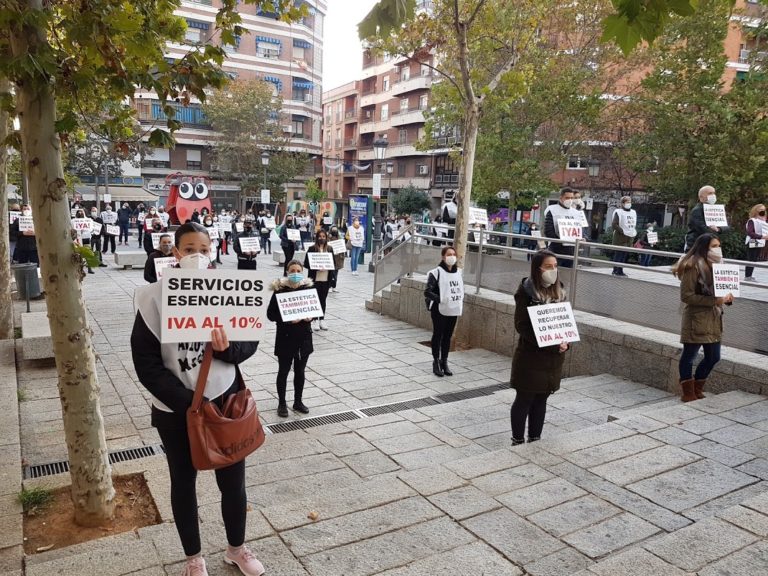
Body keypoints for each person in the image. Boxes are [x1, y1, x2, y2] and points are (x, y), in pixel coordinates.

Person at [131, 222, 264, 576]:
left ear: (213, 250)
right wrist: (189, 401)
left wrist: (228, 348)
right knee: (183, 481)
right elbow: (146, 364)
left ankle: (236, 548)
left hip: (225, 402)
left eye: (203, 249)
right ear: (175, 254)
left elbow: (249, 343)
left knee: (233, 482)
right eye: (189, 250)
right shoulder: (151, 297)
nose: (197, 256)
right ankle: (194, 557)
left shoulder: (231, 290)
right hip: (176, 411)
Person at [510, 250, 570, 445]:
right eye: (548, 266)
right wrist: (551, 345)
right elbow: (522, 326)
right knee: (525, 398)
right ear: (538, 269)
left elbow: (565, 322)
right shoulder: (526, 292)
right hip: (531, 357)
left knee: (542, 399)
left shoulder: (559, 291)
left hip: (552, 360)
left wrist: (566, 342)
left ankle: (535, 438)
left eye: (555, 266)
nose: (553, 270)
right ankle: (517, 439)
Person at [672, 233, 734, 402]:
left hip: (714, 318)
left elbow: (721, 293)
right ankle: (688, 392)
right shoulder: (692, 266)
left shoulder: (719, 266)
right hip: (696, 319)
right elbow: (686, 296)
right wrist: (715, 300)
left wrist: (727, 298)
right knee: (689, 356)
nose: (718, 250)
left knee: (714, 357)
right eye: (714, 246)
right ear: (704, 247)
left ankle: (698, 387)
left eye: (719, 245)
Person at [266, 259, 313, 417]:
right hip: (286, 337)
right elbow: (270, 315)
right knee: (283, 371)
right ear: (287, 272)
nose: (295, 274)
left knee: (300, 371)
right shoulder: (279, 290)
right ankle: (282, 403)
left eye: (298, 271)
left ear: (302, 272)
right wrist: (286, 318)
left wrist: (310, 318)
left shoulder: (307, 288)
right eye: (292, 271)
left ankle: (298, 401)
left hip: (304, 338)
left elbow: (315, 308)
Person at [424, 246, 464, 377]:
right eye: (448, 254)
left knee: (448, 336)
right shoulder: (436, 272)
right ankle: (436, 361)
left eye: (453, 254)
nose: (452, 257)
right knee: (438, 335)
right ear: (443, 257)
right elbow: (427, 291)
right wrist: (440, 299)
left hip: (453, 309)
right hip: (439, 309)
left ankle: (444, 361)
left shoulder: (459, 272)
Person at [303, 229, 331, 331]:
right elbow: (306, 263)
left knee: (323, 299)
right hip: (315, 278)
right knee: (315, 299)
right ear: (317, 237)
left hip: (325, 278)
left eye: (324, 237)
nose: (322, 238)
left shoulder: (330, 249)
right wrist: (316, 266)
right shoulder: (312, 249)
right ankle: (314, 320)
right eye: (320, 236)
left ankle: (322, 319)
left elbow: (333, 264)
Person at [543, 187, 577, 268]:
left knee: (568, 275)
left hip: (571, 250)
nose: (570, 200)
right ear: (561, 198)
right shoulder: (552, 210)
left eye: (572, 198)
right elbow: (548, 231)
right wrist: (560, 241)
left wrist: (583, 238)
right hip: (556, 249)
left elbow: (581, 229)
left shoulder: (576, 212)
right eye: (567, 198)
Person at [686, 185, 726, 250]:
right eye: (710, 193)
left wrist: (718, 229)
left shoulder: (717, 209)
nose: (713, 195)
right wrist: (715, 231)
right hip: (698, 247)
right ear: (701, 197)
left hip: (712, 246)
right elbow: (702, 229)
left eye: (714, 193)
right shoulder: (697, 210)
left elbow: (727, 227)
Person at [611, 195, 637, 277]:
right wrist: (622, 231)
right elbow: (614, 224)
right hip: (620, 237)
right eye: (627, 202)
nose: (629, 203)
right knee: (619, 254)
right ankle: (616, 270)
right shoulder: (619, 212)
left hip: (629, 237)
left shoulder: (633, 212)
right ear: (622, 203)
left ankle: (619, 270)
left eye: (630, 202)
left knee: (624, 255)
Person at [745, 204, 768, 281]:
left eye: (764, 209)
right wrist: (761, 236)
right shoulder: (752, 220)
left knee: (754, 259)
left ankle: (749, 276)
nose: (763, 211)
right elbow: (750, 232)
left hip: (760, 242)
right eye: (761, 209)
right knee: (751, 259)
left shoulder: (763, 220)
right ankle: (747, 276)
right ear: (756, 210)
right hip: (752, 241)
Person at [329, 226, 345, 293]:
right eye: (333, 230)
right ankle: (329, 286)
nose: (334, 231)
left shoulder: (339, 239)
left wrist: (342, 256)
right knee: (330, 274)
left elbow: (342, 249)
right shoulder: (328, 238)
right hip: (330, 259)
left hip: (337, 259)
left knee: (335, 274)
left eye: (335, 230)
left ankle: (334, 287)